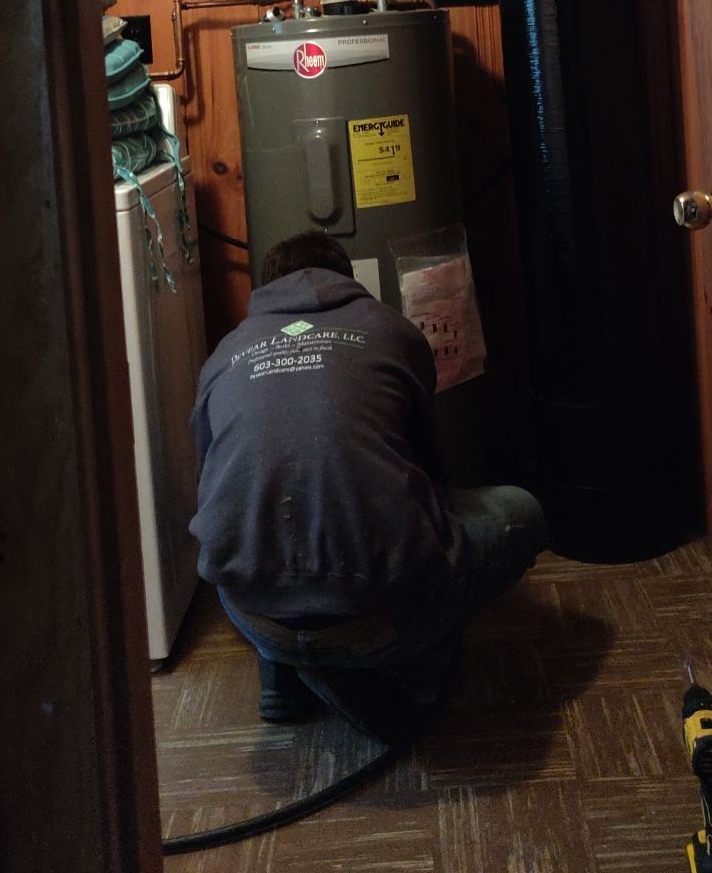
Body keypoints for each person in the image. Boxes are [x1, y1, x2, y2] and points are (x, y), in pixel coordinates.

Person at [189, 230, 547, 740]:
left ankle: (283, 678)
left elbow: (216, 480)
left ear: (266, 288)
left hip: (252, 613)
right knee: (522, 512)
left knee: (268, 510)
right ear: (348, 277)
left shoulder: (225, 353)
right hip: (379, 618)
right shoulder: (390, 329)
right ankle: (383, 682)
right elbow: (430, 465)